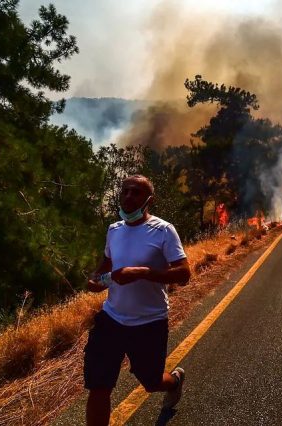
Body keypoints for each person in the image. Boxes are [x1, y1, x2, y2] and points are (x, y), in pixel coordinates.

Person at [84, 175, 191, 426]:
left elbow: (184, 274)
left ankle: (174, 381)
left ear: (149, 200)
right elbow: (106, 264)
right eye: (125, 191)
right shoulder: (114, 230)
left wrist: (143, 272)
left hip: (149, 322)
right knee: (99, 386)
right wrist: (95, 279)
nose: (129, 197)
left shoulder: (164, 230)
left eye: (136, 193)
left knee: (152, 383)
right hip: (111, 319)